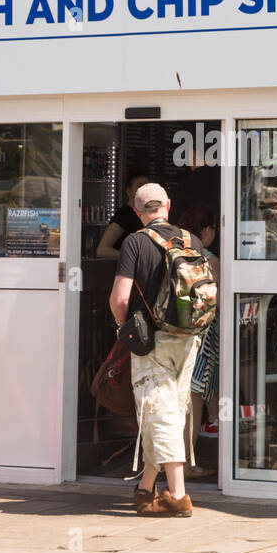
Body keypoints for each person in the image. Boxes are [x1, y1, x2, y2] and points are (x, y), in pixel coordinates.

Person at [109, 183, 206, 516]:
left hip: (154, 342)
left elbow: (120, 299)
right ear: (168, 204)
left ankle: (178, 495)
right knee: (167, 412)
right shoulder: (192, 241)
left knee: (159, 414)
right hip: (189, 339)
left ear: (137, 213)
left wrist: (128, 332)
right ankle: (146, 487)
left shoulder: (136, 241)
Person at [177, 204, 219, 479]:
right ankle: (186, 465)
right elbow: (221, 299)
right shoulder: (208, 258)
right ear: (206, 230)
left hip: (175, 335)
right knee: (194, 402)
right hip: (203, 337)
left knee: (179, 400)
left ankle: (161, 461)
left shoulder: (173, 253)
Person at [96, 169, 149, 259]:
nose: (145, 190)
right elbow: (102, 250)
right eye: (140, 186)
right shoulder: (124, 215)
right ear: (129, 191)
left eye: (147, 187)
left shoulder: (148, 216)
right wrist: (133, 259)